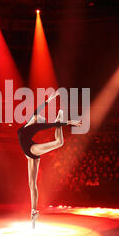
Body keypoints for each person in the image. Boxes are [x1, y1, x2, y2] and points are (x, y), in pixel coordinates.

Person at [17, 90, 82, 228]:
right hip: (29, 153)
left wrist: (69, 121)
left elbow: (48, 124)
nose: (39, 117)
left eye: (40, 118)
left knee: (59, 142)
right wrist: (50, 98)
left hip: (31, 149)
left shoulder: (36, 125)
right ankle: (34, 213)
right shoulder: (29, 122)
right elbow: (37, 110)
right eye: (39, 117)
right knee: (31, 184)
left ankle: (59, 118)